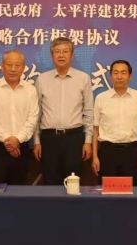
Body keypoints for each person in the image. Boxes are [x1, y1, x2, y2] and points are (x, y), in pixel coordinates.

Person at [33, 37, 94, 185]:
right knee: (50, 182)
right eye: (57, 51)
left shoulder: (83, 78)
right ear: (52, 55)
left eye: (65, 51)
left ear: (72, 55)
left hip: (74, 138)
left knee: (73, 183)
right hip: (49, 139)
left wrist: (88, 141)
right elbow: (36, 113)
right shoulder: (42, 79)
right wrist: (36, 141)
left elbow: (89, 112)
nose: (61, 55)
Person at [0, 50, 39, 185]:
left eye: (17, 65)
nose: (13, 69)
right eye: (9, 65)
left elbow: (32, 119)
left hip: (22, 148)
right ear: (2, 66)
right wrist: (8, 141)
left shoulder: (30, 90)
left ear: (23, 68)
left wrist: (17, 139)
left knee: (18, 189)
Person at [92, 60, 137, 185]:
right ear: (110, 76)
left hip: (132, 152)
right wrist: (95, 157)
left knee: (131, 191)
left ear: (130, 76)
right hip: (107, 152)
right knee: (107, 191)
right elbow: (95, 129)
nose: (119, 76)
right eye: (116, 73)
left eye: (123, 73)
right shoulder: (101, 98)